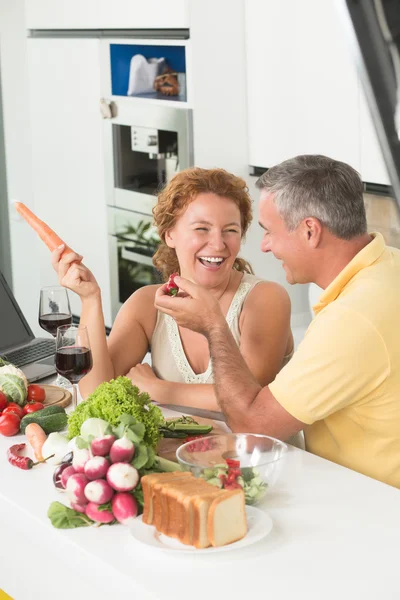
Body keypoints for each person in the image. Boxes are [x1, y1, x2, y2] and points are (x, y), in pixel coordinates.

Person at [155, 155, 400, 488]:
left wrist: (214, 326)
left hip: (370, 504)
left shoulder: (352, 319)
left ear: (310, 230)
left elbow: (254, 425)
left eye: (269, 231)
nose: (265, 246)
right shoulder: (389, 265)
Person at [52, 167, 294, 413]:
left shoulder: (265, 299)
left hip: (264, 451)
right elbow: (96, 392)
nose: (218, 243)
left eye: (230, 230)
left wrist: (157, 388)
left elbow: (247, 399)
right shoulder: (147, 305)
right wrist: (91, 299)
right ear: (170, 235)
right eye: (202, 228)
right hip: (178, 451)